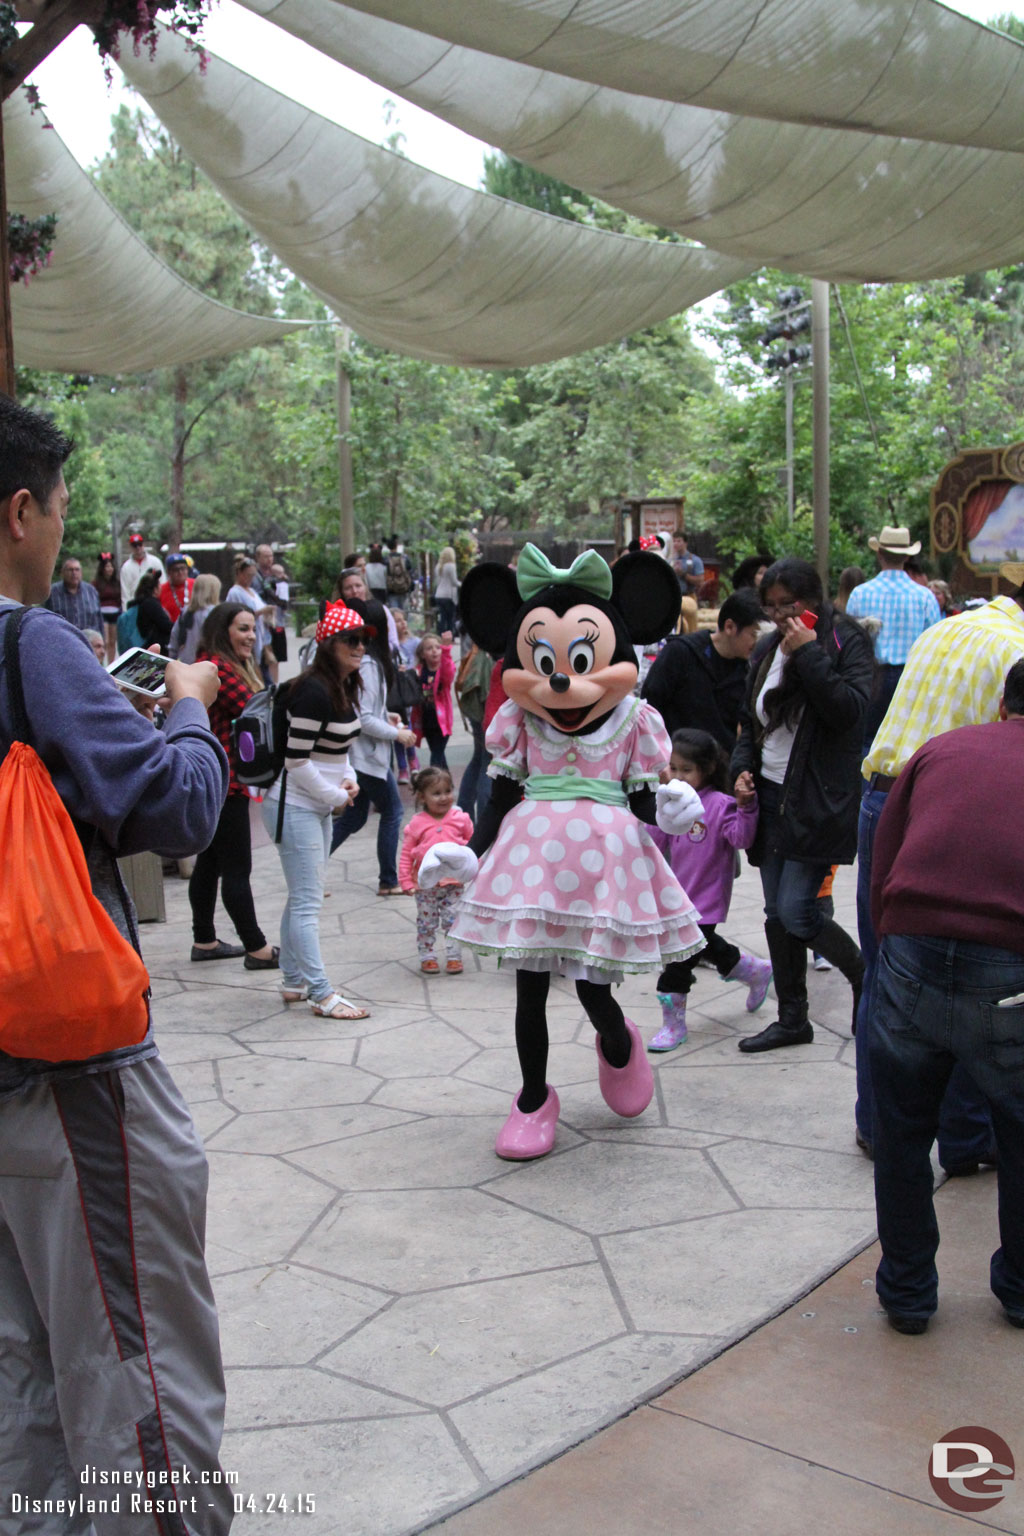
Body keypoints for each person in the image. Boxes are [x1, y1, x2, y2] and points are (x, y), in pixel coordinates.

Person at [0, 395, 233, 1527]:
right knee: (139, 1375)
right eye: (57, 511)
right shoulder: (27, 640)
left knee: (20, 1387)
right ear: (18, 513)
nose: (59, 537)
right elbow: (178, 809)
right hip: (71, 1078)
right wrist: (186, 709)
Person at [867, 659, 1024, 1335]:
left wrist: (893, 950)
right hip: (1010, 963)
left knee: (902, 1130)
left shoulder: (940, 749)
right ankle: (1019, 1289)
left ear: (1002, 705)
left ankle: (907, 1292)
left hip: (911, 948)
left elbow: (884, 858)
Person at [852, 560, 1024, 1167]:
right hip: (941, 814)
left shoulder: (948, 625)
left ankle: (878, 1125)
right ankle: (965, 1141)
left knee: (885, 971)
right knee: (968, 988)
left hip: (881, 796)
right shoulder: (1014, 652)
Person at [731, 557, 872, 1052]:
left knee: (797, 911)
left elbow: (850, 713)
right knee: (774, 911)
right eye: (769, 608)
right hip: (768, 794)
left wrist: (809, 655)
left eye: (785, 605)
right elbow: (751, 721)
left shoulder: (845, 641)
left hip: (817, 800)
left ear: (811, 601)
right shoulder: (767, 649)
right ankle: (793, 1018)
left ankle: (863, 977)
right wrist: (740, 770)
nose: (777, 617)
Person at [263, 600, 369, 1021]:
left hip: (313, 806)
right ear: (328, 645)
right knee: (307, 903)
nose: (360, 647)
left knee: (301, 897)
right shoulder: (311, 689)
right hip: (294, 807)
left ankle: (292, 980)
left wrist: (349, 779)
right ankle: (321, 993)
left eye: (364, 640)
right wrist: (335, 797)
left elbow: (337, 750)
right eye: (351, 640)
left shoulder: (342, 686)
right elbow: (296, 760)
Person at [646, 729, 771, 1051]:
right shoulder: (672, 802)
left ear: (708, 769)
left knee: (677, 963)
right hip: (676, 898)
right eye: (673, 768)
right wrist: (656, 808)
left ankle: (673, 1027)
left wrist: (746, 807)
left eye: (686, 770)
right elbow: (655, 843)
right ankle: (754, 971)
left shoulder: (720, 805)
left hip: (705, 900)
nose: (678, 776)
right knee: (707, 948)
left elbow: (741, 839)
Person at [190, 601, 279, 968]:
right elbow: (257, 711)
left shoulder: (220, 665)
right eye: (243, 628)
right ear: (223, 630)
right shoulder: (218, 668)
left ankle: (205, 941)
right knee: (237, 869)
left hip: (216, 781)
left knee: (209, 863)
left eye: (253, 629)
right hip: (225, 784)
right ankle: (256, 948)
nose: (251, 636)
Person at [330, 597, 417, 895]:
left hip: (364, 755)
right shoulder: (369, 664)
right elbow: (364, 717)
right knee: (392, 811)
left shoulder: (369, 663)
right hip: (366, 756)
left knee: (354, 816)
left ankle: (310, 869)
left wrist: (387, 716)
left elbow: (368, 710)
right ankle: (389, 879)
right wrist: (397, 735)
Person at [844, 524, 941, 749]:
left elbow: (848, 641)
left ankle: (865, 784)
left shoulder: (860, 594)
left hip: (869, 676)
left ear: (879, 554)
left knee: (867, 741)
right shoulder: (924, 597)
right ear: (907, 557)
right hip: (911, 678)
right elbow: (934, 646)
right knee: (906, 741)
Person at [641, 587, 764, 751]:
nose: (760, 642)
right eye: (755, 635)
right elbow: (650, 706)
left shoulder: (751, 670)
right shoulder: (680, 653)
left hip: (720, 769)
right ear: (729, 627)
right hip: (674, 763)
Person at [399, 766, 474, 974]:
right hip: (426, 885)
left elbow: (472, 847)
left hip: (454, 882)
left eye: (448, 791)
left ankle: (453, 955)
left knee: (453, 920)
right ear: (422, 797)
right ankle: (427, 955)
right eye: (436, 793)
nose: (444, 798)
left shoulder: (461, 819)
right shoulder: (417, 824)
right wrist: (405, 880)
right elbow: (406, 854)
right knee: (427, 921)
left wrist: (476, 870)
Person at [455, 640, 495, 822]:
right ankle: (482, 820)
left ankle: (465, 815)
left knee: (479, 758)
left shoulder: (481, 640)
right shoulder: (493, 646)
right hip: (486, 706)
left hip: (478, 705)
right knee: (487, 760)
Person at [413, 629, 456, 768]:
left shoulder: (444, 669)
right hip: (427, 720)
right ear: (422, 654)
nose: (434, 651)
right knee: (438, 754)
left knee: (436, 756)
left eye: (437, 647)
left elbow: (448, 673)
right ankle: (446, 784)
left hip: (442, 722)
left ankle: (433, 784)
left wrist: (446, 650)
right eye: (429, 648)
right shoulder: (419, 670)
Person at [226, 553, 274, 679]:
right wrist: (262, 611)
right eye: (248, 575)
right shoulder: (235, 592)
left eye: (253, 576)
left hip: (261, 639)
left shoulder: (252, 591)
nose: (251, 579)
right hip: (246, 640)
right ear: (240, 573)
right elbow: (237, 614)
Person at [169, 571, 222, 664]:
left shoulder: (185, 612)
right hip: (205, 664)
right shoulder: (214, 613)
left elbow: (174, 639)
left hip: (184, 662)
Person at [45, 555, 102, 632]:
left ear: (81, 572)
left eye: (77, 570)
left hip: (88, 640)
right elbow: (47, 619)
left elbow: (99, 620)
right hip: (62, 639)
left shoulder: (91, 591)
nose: (74, 573)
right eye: (70, 570)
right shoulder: (53, 592)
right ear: (62, 573)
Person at [129, 568, 173, 653]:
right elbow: (166, 625)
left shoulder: (141, 602)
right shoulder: (151, 604)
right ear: (155, 589)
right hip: (153, 647)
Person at [119, 530, 163, 607]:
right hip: (135, 604)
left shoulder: (155, 562)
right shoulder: (126, 567)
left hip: (154, 603)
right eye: (135, 545)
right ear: (131, 547)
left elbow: (163, 582)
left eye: (140, 544)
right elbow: (125, 593)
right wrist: (126, 612)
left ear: (143, 545)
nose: (138, 548)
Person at [93, 550, 121, 661]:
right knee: (106, 640)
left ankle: (111, 662)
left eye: (111, 567)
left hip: (115, 614)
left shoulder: (117, 583)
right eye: (107, 567)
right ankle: (102, 663)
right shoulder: (96, 583)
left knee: (113, 641)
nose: (109, 569)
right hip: (102, 614)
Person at [158, 550, 195, 624]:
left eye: (183, 568)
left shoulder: (196, 585)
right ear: (168, 572)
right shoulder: (160, 590)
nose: (180, 572)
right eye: (176, 569)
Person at [433, 545, 460, 634]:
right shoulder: (451, 566)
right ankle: (450, 636)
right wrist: (462, 584)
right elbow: (454, 582)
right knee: (450, 618)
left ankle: (441, 635)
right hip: (448, 596)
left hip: (439, 595)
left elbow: (437, 582)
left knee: (442, 617)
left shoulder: (438, 566)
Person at [384, 533, 414, 610]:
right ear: (396, 545)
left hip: (392, 590)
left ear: (388, 547)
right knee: (404, 612)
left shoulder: (385, 560)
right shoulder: (405, 558)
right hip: (404, 589)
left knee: (394, 612)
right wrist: (411, 588)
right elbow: (410, 573)